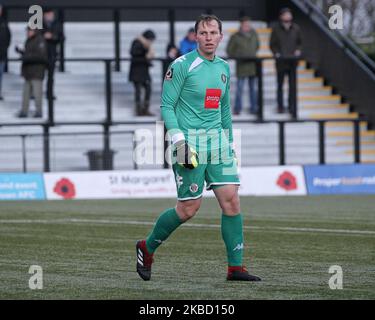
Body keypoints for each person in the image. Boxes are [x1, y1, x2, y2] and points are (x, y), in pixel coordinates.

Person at [136, 14, 261, 282]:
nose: (208, 37)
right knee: (188, 210)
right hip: (188, 145)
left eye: (213, 32)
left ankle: (235, 268)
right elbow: (167, 106)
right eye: (203, 33)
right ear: (195, 36)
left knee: (232, 201)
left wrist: (228, 142)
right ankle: (147, 247)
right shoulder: (181, 65)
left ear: (220, 36)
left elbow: (224, 108)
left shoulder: (224, 68)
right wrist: (179, 141)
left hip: (217, 144)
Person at [270, 8, 302, 114]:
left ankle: (291, 106)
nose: (287, 16)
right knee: (280, 85)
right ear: (281, 17)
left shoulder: (296, 28)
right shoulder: (276, 29)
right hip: (281, 62)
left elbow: (300, 43)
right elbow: (272, 44)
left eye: (289, 14)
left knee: (292, 86)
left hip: (293, 62)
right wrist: (277, 54)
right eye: (285, 15)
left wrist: (298, 50)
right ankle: (280, 106)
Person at [226, 16, 259, 115]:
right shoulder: (235, 36)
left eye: (248, 24)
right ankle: (237, 108)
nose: (247, 26)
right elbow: (229, 50)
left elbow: (257, 46)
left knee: (253, 89)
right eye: (245, 25)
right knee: (239, 88)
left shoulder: (254, 34)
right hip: (241, 66)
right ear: (241, 25)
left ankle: (254, 108)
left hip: (252, 65)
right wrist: (239, 56)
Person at [16, 28, 48, 118]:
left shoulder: (40, 40)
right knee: (25, 94)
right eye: (27, 31)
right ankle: (24, 111)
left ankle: (39, 112)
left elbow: (40, 56)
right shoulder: (28, 40)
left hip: (37, 72)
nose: (28, 33)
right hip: (28, 72)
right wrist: (21, 52)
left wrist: (25, 56)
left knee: (37, 94)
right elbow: (29, 54)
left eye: (29, 31)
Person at [129, 29, 156, 116]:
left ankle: (145, 108)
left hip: (144, 71)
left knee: (148, 89)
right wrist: (145, 52)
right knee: (138, 90)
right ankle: (138, 109)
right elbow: (134, 53)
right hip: (136, 71)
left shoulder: (146, 45)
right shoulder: (137, 42)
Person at [42, 8, 64, 100]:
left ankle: (49, 94)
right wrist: (43, 36)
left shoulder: (57, 24)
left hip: (52, 54)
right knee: (37, 75)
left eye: (51, 14)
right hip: (41, 53)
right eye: (48, 14)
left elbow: (62, 37)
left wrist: (52, 37)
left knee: (51, 77)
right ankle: (34, 93)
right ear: (44, 15)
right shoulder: (39, 24)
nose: (51, 16)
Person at [0, 4, 11, 101]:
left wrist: (4, 48)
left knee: (0, 75)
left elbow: (8, 37)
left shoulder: (4, 23)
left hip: (1, 55)